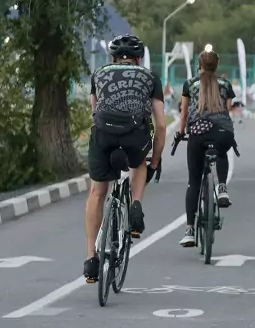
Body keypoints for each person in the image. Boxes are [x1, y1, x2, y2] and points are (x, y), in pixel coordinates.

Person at [83, 34, 166, 283]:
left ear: (113, 58)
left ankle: (91, 258)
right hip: (133, 135)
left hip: (104, 134)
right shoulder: (150, 77)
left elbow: (95, 111)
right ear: (139, 59)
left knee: (97, 192)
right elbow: (161, 125)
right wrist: (155, 162)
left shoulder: (99, 74)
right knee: (139, 163)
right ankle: (136, 205)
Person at [177, 45, 235, 247]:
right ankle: (222, 187)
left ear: (199, 65)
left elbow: (184, 114)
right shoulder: (225, 84)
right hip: (223, 132)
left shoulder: (190, 84)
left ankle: (189, 230)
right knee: (221, 150)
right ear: (216, 66)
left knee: (194, 181)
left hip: (198, 133)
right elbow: (227, 110)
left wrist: (181, 132)